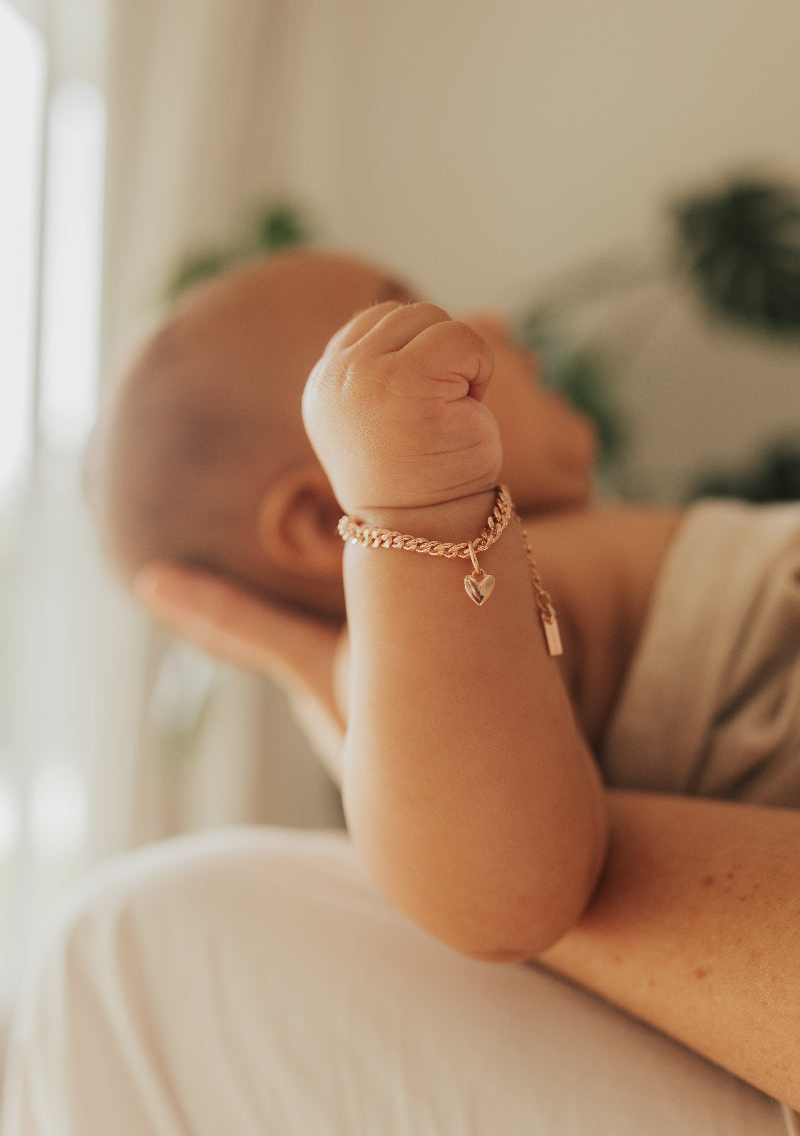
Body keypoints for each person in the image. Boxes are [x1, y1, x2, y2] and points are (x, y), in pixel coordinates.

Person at [3, 250, 798, 1132]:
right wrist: (413, 511)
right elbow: (502, 893)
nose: (486, 323)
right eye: (401, 320)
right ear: (320, 518)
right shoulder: (438, 618)